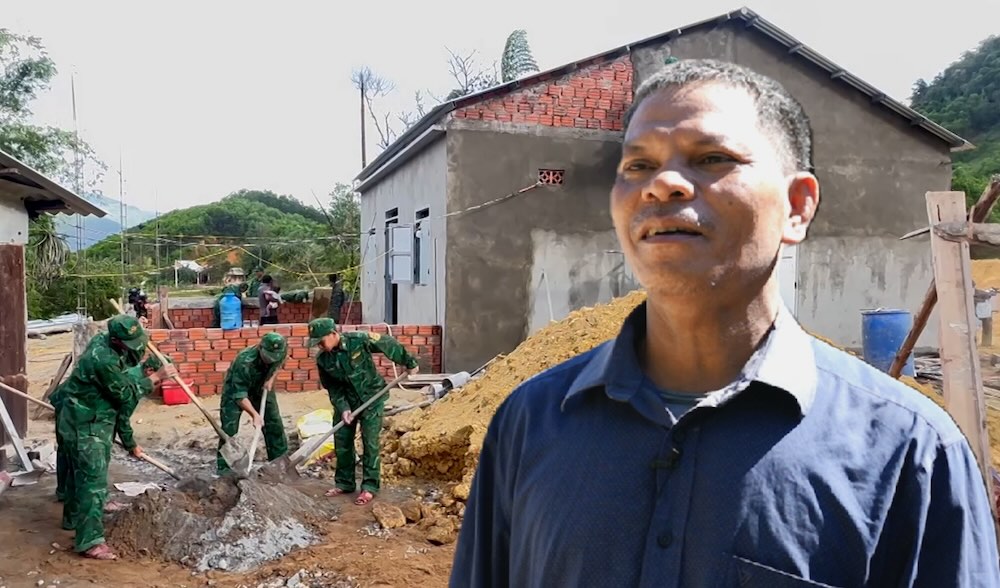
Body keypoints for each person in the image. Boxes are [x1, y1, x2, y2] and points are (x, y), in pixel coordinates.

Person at [451, 59, 1000, 587]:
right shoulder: (530, 423)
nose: (662, 184)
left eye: (711, 158)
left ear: (797, 207)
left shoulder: (911, 455)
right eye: (637, 165)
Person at [56, 315, 177, 560]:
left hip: (80, 416)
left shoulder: (104, 341)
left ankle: (72, 520)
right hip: (86, 423)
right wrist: (157, 377)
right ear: (116, 341)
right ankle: (89, 541)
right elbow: (123, 395)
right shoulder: (103, 360)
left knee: (76, 474)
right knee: (92, 480)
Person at [308, 317, 419, 505]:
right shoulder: (323, 359)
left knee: (370, 442)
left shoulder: (358, 340)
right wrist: (343, 408)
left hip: (372, 398)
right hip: (348, 402)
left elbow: (387, 343)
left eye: (321, 341)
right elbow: (333, 388)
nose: (319, 346)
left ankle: (369, 487)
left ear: (333, 334)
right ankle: (344, 483)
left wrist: (409, 362)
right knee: (342, 441)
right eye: (316, 343)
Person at [53, 353, 170, 511]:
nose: (160, 385)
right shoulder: (133, 383)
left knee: (68, 450)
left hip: (69, 404)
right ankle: (92, 502)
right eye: (160, 380)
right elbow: (122, 420)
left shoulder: (133, 370)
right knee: (90, 456)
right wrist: (131, 445)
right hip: (75, 408)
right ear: (150, 371)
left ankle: (66, 495)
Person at [216, 332, 289, 474]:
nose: (270, 361)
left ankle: (279, 462)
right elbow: (240, 396)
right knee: (229, 430)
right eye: (268, 357)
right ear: (260, 348)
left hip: (261, 387)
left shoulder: (281, 349)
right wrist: (255, 415)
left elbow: (280, 362)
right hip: (235, 391)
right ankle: (225, 470)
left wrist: (271, 379)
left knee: (274, 423)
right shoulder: (244, 361)